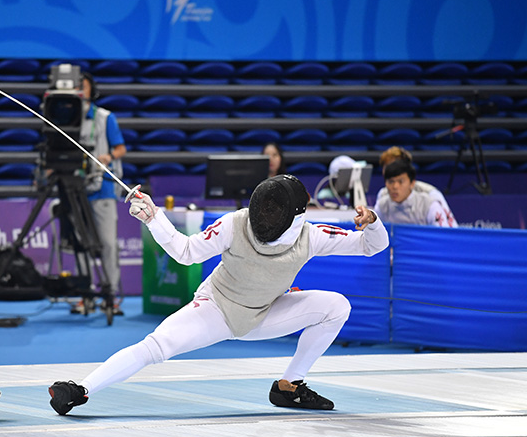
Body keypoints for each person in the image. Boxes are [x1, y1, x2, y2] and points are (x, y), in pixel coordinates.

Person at [48, 174, 389, 416]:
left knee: (336, 306)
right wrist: (154, 218)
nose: (266, 217)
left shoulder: (311, 236)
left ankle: (289, 386)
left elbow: (372, 246)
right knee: (156, 346)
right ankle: (81, 389)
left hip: (265, 313)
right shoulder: (234, 224)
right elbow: (186, 251)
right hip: (216, 310)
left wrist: (372, 222)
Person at [75, 72, 127, 313]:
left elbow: (121, 148)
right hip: (76, 189)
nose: (79, 90)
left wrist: (108, 156)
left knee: (107, 243)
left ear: (91, 90)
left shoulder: (105, 118)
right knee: (81, 244)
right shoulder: (66, 118)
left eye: (83, 86)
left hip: (102, 188)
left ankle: (111, 295)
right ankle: (86, 295)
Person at [374, 159, 457, 227]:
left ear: (412, 183)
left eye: (400, 182)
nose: (395, 186)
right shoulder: (382, 206)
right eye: (391, 182)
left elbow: (443, 235)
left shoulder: (429, 205)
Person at [375, 146, 453, 214]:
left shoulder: (431, 195)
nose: (391, 171)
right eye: (387, 168)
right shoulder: (383, 195)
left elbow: (448, 225)